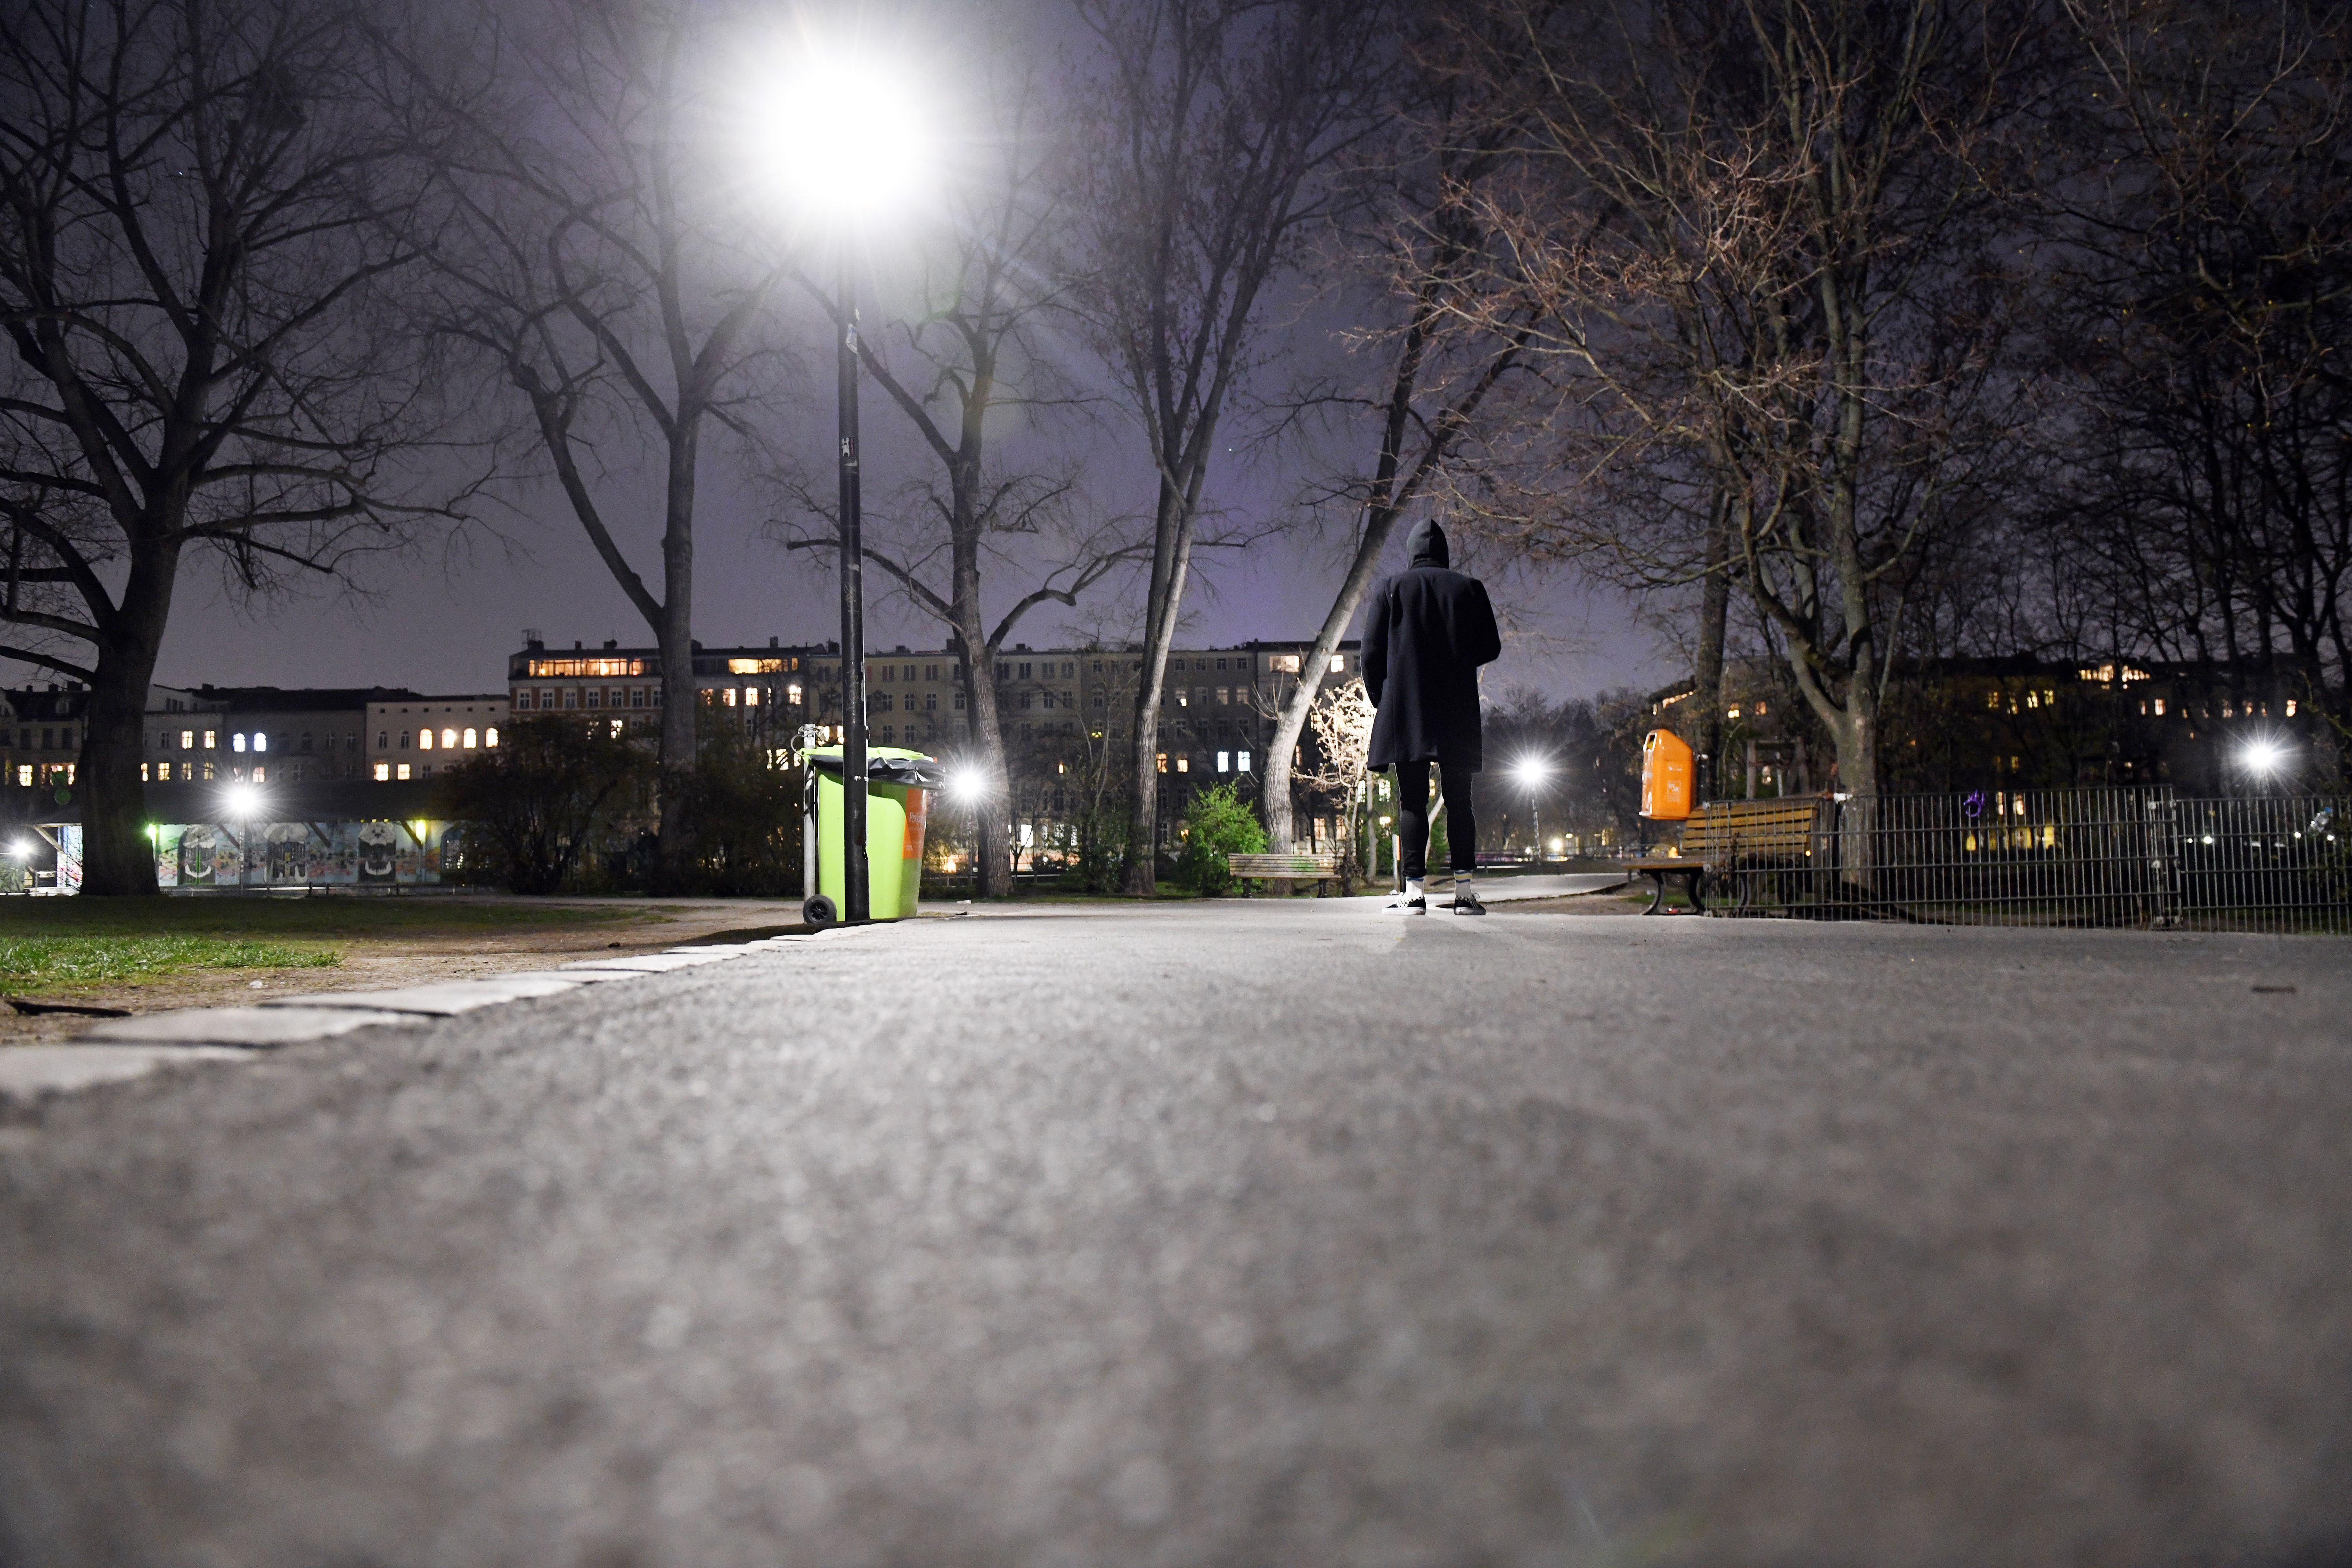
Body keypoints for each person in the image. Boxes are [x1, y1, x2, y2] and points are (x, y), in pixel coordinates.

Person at [1361, 517, 1501, 915]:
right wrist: (1458, 658)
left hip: (1408, 710)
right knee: (1461, 801)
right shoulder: (1469, 588)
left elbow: (1370, 655)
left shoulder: (1391, 589)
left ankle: (1415, 892)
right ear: (1443, 551)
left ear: (1410, 552)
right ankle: (1464, 893)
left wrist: (1382, 700)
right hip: (1456, 708)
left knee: (1412, 802)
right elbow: (1490, 646)